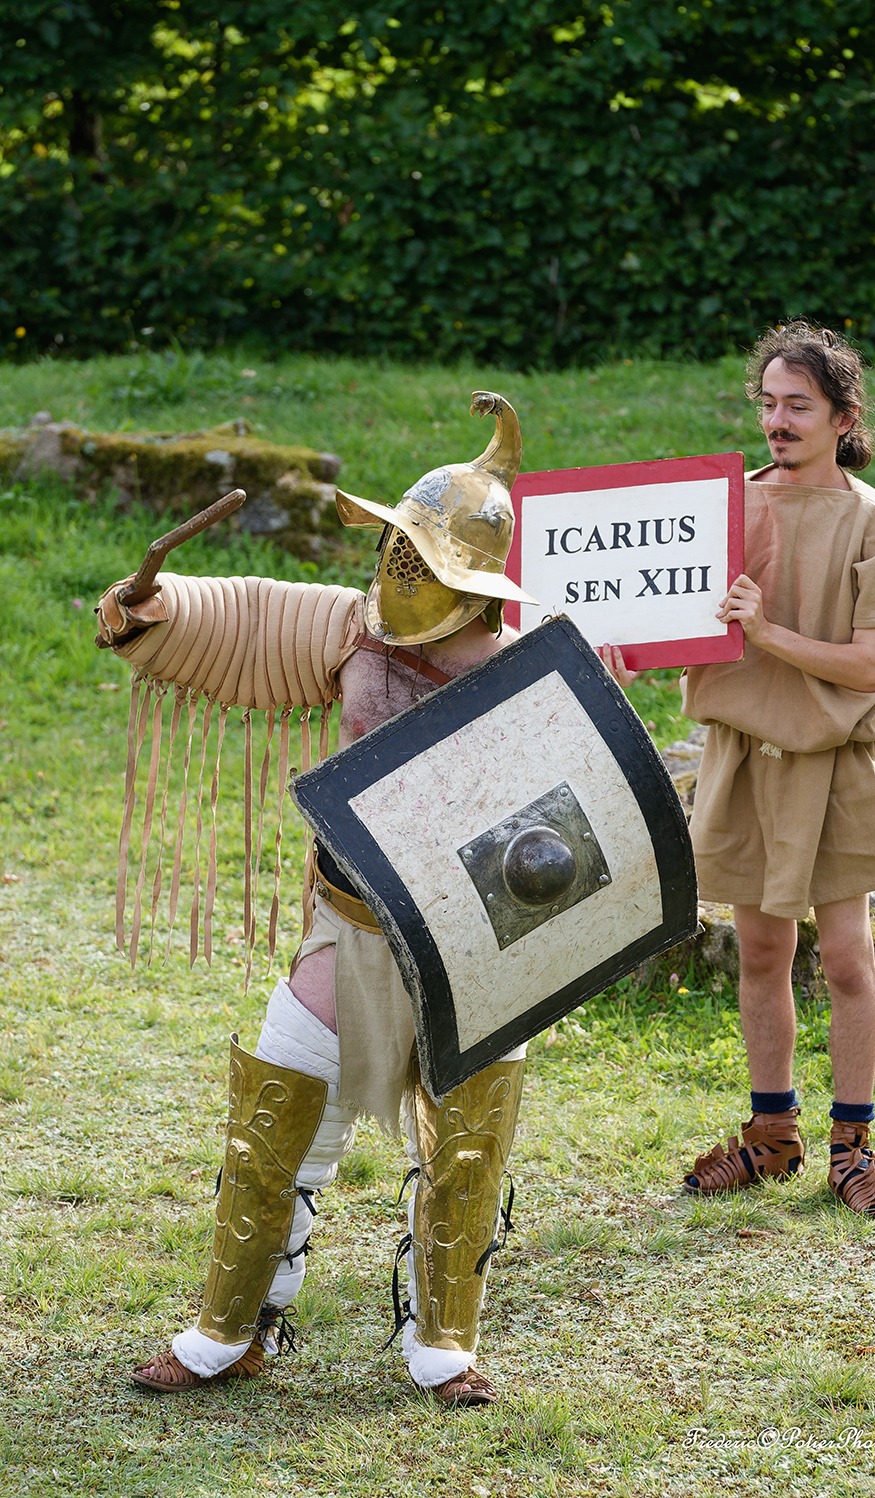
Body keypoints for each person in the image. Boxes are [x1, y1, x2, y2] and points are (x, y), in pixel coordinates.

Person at [95, 392, 544, 1405]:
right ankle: (230, 1332)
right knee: (276, 1118)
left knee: (468, 1139)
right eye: (401, 547)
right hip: (351, 921)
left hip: (475, 937)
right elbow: (246, 615)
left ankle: (444, 1346)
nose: (405, 571)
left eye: (427, 557)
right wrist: (150, 609)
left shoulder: (528, 664)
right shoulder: (353, 626)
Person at [679, 321, 875, 1216]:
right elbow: (659, 620)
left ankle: (852, 1146)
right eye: (767, 403)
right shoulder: (720, 508)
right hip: (744, 754)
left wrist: (764, 631)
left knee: (848, 958)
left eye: (798, 406)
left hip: (840, 764)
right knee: (762, 951)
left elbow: (863, 667)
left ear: (843, 417)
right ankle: (772, 1136)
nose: (778, 420)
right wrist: (624, 648)